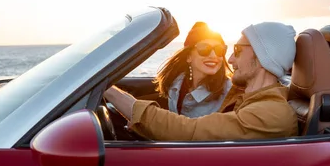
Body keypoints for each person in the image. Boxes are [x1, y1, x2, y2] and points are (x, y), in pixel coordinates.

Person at [104, 21, 299, 141]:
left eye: (237, 51)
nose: (229, 60)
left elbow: (190, 131)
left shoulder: (270, 114)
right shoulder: (248, 100)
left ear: (263, 57)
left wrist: (109, 90)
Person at [154, 21, 232, 118]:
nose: (213, 56)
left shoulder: (229, 92)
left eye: (219, 50)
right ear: (188, 57)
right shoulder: (175, 83)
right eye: (204, 49)